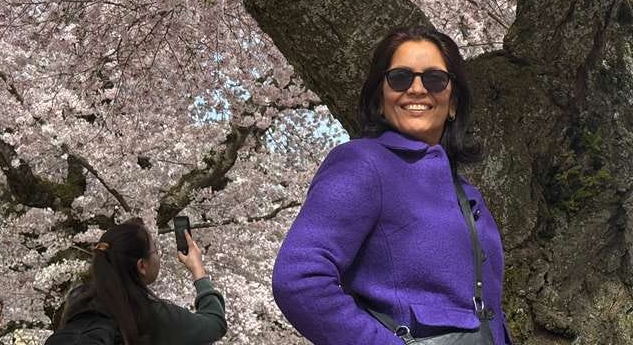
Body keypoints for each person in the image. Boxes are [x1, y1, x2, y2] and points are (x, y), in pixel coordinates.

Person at [273, 25, 512, 344]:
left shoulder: (467, 192)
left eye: (434, 79)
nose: (416, 89)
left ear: (453, 103)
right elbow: (299, 278)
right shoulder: (363, 164)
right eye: (400, 78)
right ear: (380, 99)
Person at [49, 218, 227, 345]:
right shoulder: (154, 314)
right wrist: (198, 270)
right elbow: (215, 325)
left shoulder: (77, 299)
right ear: (141, 265)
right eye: (155, 251)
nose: (158, 257)